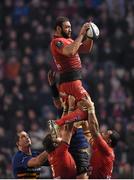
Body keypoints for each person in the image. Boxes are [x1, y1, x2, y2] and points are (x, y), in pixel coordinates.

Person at [50, 16, 94, 126]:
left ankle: (59, 127)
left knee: (76, 116)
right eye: (67, 27)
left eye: (70, 27)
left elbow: (86, 48)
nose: (70, 29)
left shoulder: (70, 41)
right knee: (88, 108)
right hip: (71, 82)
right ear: (59, 29)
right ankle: (57, 124)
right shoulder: (57, 42)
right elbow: (70, 52)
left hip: (72, 82)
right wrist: (82, 34)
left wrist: (91, 34)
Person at [48, 70, 90, 179]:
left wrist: (59, 127)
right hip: (64, 145)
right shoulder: (64, 97)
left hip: (77, 145)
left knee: (81, 176)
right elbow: (57, 103)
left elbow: (74, 125)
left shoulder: (80, 97)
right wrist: (52, 86)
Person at [79, 96, 120, 179]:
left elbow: (94, 131)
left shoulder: (107, 150)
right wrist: (83, 121)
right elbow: (89, 135)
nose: (102, 133)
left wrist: (91, 109)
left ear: (109, 141)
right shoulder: (100, 148)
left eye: (105, 134)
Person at [43, 95, 77, 179]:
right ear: (55, 144)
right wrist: (71, 107)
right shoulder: (60, 152)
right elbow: (68, 130)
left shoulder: (51, 155)